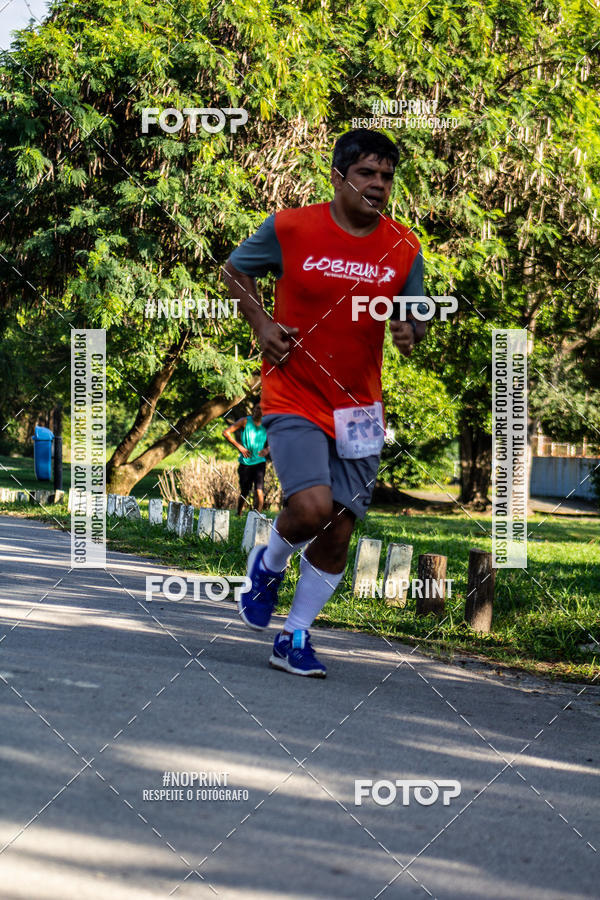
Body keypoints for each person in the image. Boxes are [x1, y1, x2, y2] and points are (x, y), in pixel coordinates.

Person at [223, 128, 427, 678]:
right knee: (310, 508)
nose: (378, 185)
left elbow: (416, 315)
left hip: (360, 408)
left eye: (386, 176)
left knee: (339, 528)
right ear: (337, 178)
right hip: (293, 392)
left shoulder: (403, 246)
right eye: (366, 173)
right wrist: (261, 321)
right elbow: (234, 270)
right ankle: (267, 565)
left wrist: (411, 330)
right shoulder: (291, 228)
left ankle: (294, 635)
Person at [223, 404, 269, 515]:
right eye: (257, 408)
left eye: (262, 409)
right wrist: (239, 447)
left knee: (259, 491)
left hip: (260, 462)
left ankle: (258, 518)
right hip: (246, 463)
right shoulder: (245, 421)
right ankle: (239, 513)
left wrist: (267, 450)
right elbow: (226, 432)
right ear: (254, 410)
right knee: (245, 491)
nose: (259, 411)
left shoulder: (267, 424)